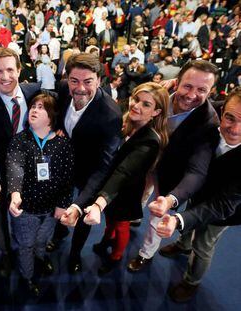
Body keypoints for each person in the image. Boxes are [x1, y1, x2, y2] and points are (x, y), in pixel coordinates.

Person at [127, 60, 221, 273]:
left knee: (157, 216)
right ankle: (135, 214)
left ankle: (146, 254)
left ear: (210, 91)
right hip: (146, 159)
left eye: (201, 90)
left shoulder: (209, 122)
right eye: (187, 86)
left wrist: (171, 199)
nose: (191, 95)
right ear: (177, 82)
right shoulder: (159, 94)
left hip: (172, 173)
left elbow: (197, 171)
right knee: (141, 193)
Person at [155, 87, 241, 302]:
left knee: (203, 246)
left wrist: (177, 219)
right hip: (198, 191)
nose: (235, 129)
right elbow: (197, 170)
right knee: (188, 221)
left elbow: (222, 205)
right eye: (230, 118)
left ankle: (191, 281)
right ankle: (183, 245)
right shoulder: (209, 123)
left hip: (225, 211)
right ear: (222, 112)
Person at [84, 82, 169, 273]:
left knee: (122, 225)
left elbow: (125, 170)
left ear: (156, 112)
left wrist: (101, 200)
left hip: (127, 191)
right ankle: (107, 240)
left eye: (146, 104)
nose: (136, 106)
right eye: (136, 99)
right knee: (111, 220)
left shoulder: (151, 140)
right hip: (113, 185)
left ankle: (116, 256)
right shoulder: (127, 123)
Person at [50, 53, 123, 274]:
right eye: (74, 81)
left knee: (81, 214)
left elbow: (104, 166)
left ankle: (74, 254)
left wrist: (77, 205)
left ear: (99, 81)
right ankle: (59, 233)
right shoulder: (63, 90)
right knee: (58, 200)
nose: (80, 88)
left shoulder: (111, 114)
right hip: (63, 165)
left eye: (88, 81)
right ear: (67, 79)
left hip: (90, 171)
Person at [0, 47, 42, 277]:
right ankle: (7, 254)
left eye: (9, 70)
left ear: (19, 69)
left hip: (37, 170)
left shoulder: (36, 92)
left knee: (35, 213)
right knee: (1, 219)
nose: (4, 77)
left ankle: (34, 251)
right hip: (4, 173)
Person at [6, 93, 74, 295]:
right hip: (25, 209)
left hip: (52, 208)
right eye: (33, 106)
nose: (34, 110)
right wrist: (15, 193)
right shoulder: (20, 140)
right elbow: (14, 167)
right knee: (26, 245)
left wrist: (63, 204)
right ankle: (27, 277)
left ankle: (41, 258)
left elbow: (67, 178)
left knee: (42, 241)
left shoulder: (63, 144)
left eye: (41, 107)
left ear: (52, 116)